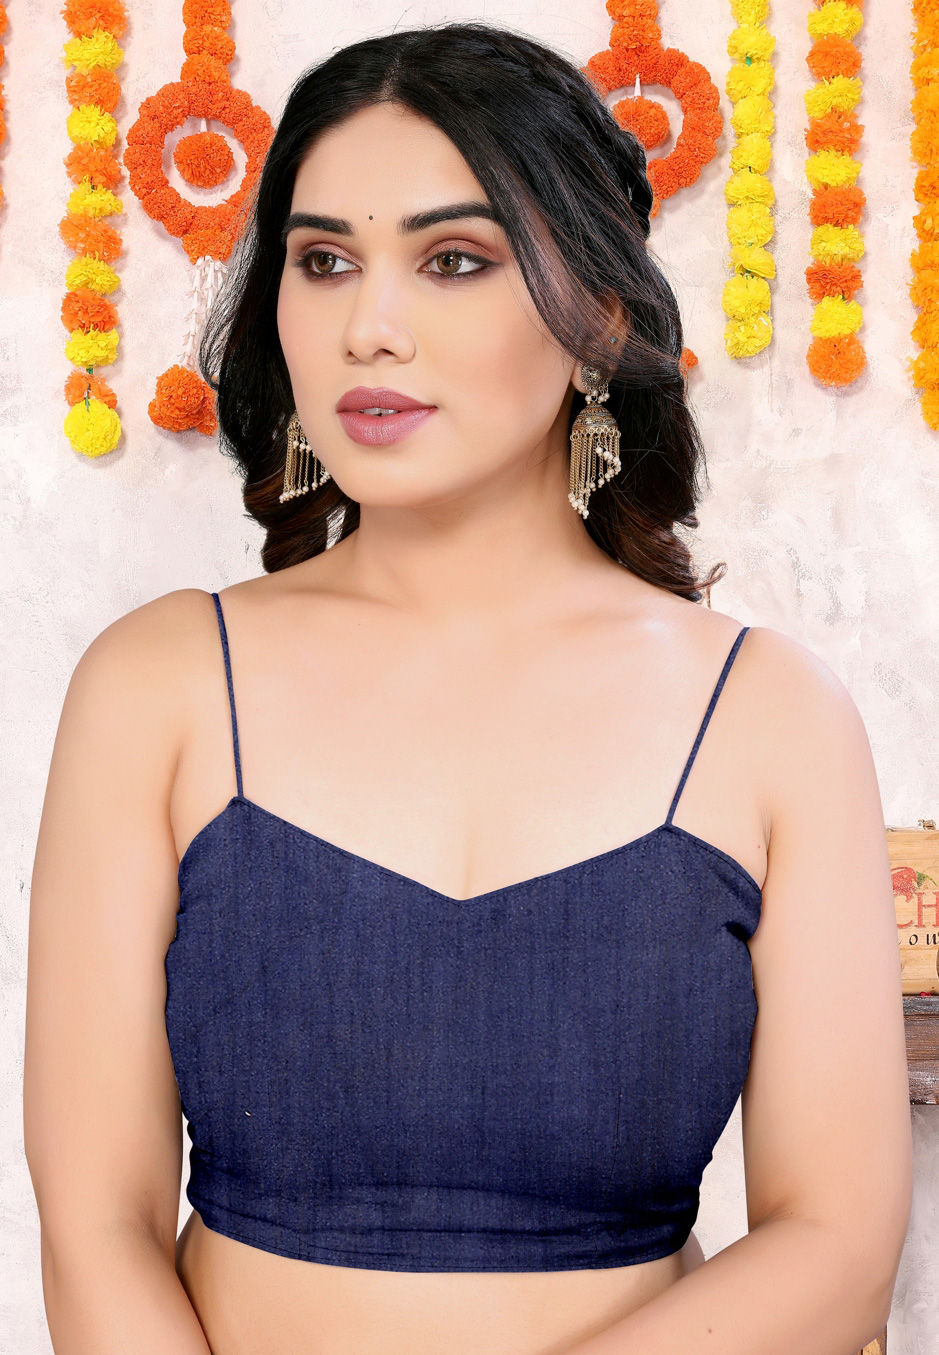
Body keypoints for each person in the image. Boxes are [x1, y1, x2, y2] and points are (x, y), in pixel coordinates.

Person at [24, 20, 911, 1355]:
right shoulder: (156, 689)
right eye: (324, 261)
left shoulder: (773, 717)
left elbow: (837, 1242)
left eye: (453, 261)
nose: (368, 329)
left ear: (599, 314)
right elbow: (95, 1223)